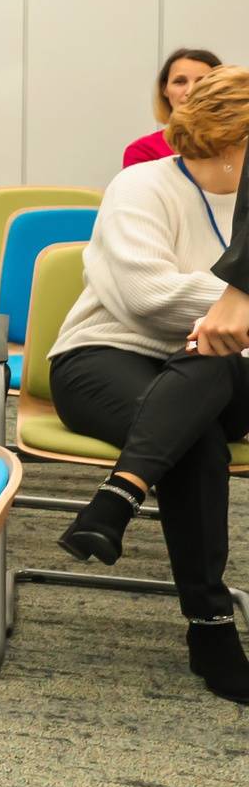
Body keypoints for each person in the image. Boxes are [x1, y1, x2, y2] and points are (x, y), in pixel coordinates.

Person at [48, 66, 249, 702]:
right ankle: (212, 629)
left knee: (208, 362)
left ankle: (117, 498)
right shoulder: (142, 185)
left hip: (225, 374)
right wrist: (232, 309)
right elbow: (147, 297)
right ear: (231, 138)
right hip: (105, 356)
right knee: (196, 433)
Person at [124, 47, 222, 169]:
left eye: (201, 83)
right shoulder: (143, 151)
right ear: (164, 89)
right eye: (180, 81)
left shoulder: (237, 147)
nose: (190, 91)